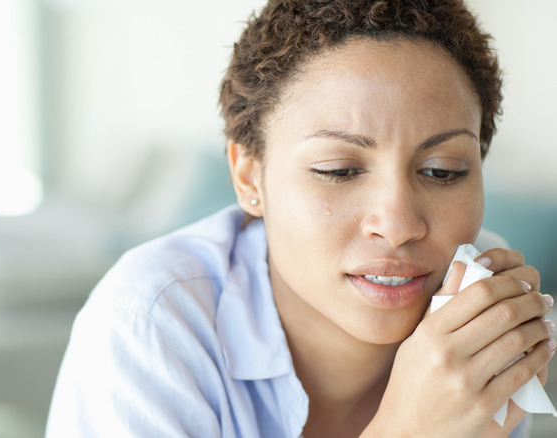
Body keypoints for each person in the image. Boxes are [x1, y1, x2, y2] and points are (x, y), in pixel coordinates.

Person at [46, 1, 554, 436]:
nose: (398, 224)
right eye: (338, 170)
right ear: (250, 179)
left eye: (442, 172)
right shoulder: (150, 323)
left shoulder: (475, 310)